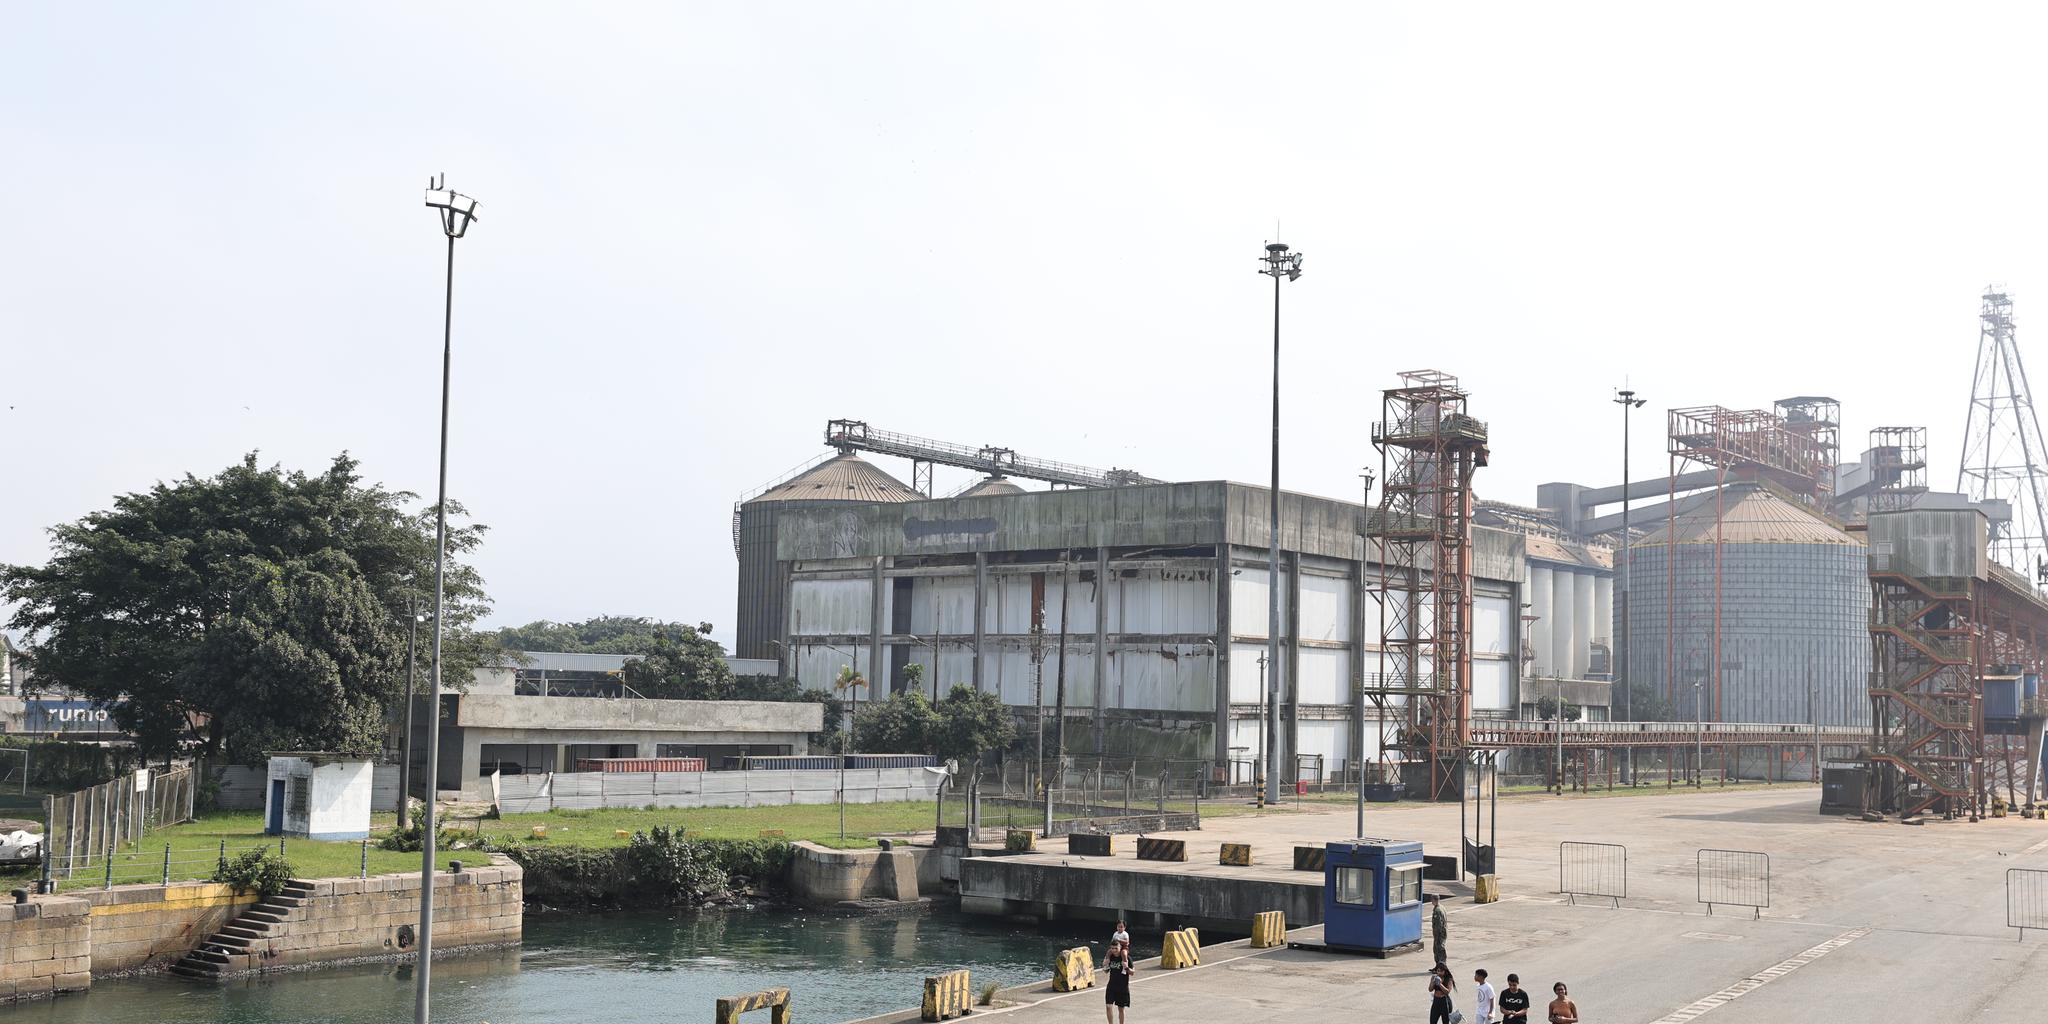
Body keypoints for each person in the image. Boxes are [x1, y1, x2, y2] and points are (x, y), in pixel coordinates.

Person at [1103, 938, 1134, 1024]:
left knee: (1121, 1009)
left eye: (1116, 948)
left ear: (1120, 948)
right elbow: (1106, 971)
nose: (1114, 950)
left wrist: (1126, 967)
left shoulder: (1127, 958)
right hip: (1111, 986)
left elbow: (1132, 973)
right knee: (1108, 1006)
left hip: (1122, 987)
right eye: (1112, 948)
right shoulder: (1111, 957)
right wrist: (1105, 966)